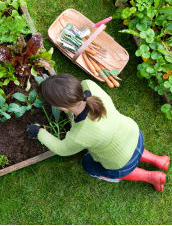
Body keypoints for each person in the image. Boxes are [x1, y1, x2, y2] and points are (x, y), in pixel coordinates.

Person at [27, 74, 170, 192]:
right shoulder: (89, 85)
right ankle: (158, 160)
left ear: (62, 107)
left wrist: (39, 132)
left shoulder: (80, 134)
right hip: (134, 134)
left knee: (88, 165)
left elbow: (62, 149)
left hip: (119, 161)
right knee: (128, 147)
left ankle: (151, 177)